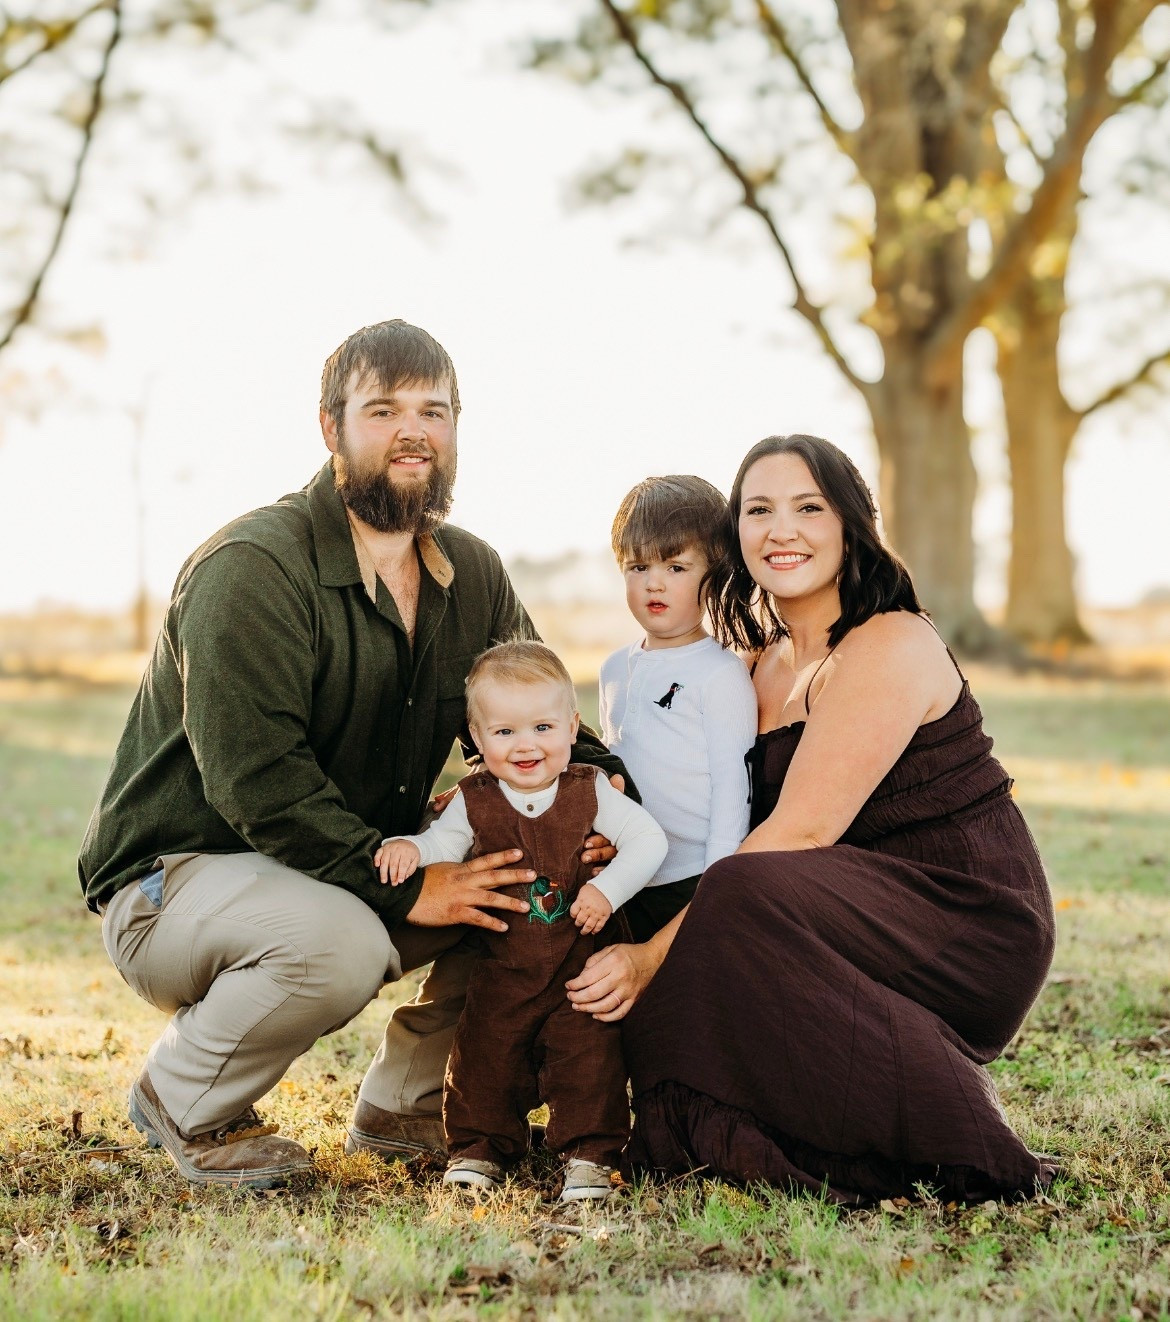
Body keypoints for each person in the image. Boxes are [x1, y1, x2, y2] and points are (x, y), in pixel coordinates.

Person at [78, 319, 627, 1188]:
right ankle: (183, 1098)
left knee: (533, 867)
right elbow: (257, 781)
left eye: (434, 411)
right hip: (175, 882)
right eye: (383, 409)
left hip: (341, 873)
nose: (413, 430)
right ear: (331, 428)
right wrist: (405, 880)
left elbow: (543, 715)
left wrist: (601, 810)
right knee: (337, 941)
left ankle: (406, 1109)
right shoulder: (252, 567)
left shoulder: (472, 574)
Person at [567, 434, 1058, 1204]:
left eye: (807, 508)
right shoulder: (755, 665)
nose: (781, 529)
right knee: (680, 916)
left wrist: (649, 959)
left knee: (731, 898)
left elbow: (795, 836)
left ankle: (949, 1138)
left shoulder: (889, 641)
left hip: (964, 918)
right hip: (839, 911)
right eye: (758, 510)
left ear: (851, 523)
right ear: (735, 536)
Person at [378, 641, 667, 1200]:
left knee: (589, 1058)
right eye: (504, 732)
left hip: (579, 964)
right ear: (478, 737)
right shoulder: (473, 798)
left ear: (572, 726)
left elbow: (647, 840)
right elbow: (443, 843)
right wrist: (410, 848)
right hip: (503, 966)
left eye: (542, 727)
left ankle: (588, 1154)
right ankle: (479, 1149)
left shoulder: (590, 790)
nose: (526, 745)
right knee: (486, 1054)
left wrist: (606, 891)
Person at [598, 476, 757, 943]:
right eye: (638, 565)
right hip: (625, 872)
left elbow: (734, 788)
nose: (654, 583)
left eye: (676, 567)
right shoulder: (613, 669)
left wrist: (718, 884)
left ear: (716, 572)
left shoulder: (720, 674)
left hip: (693, 878)